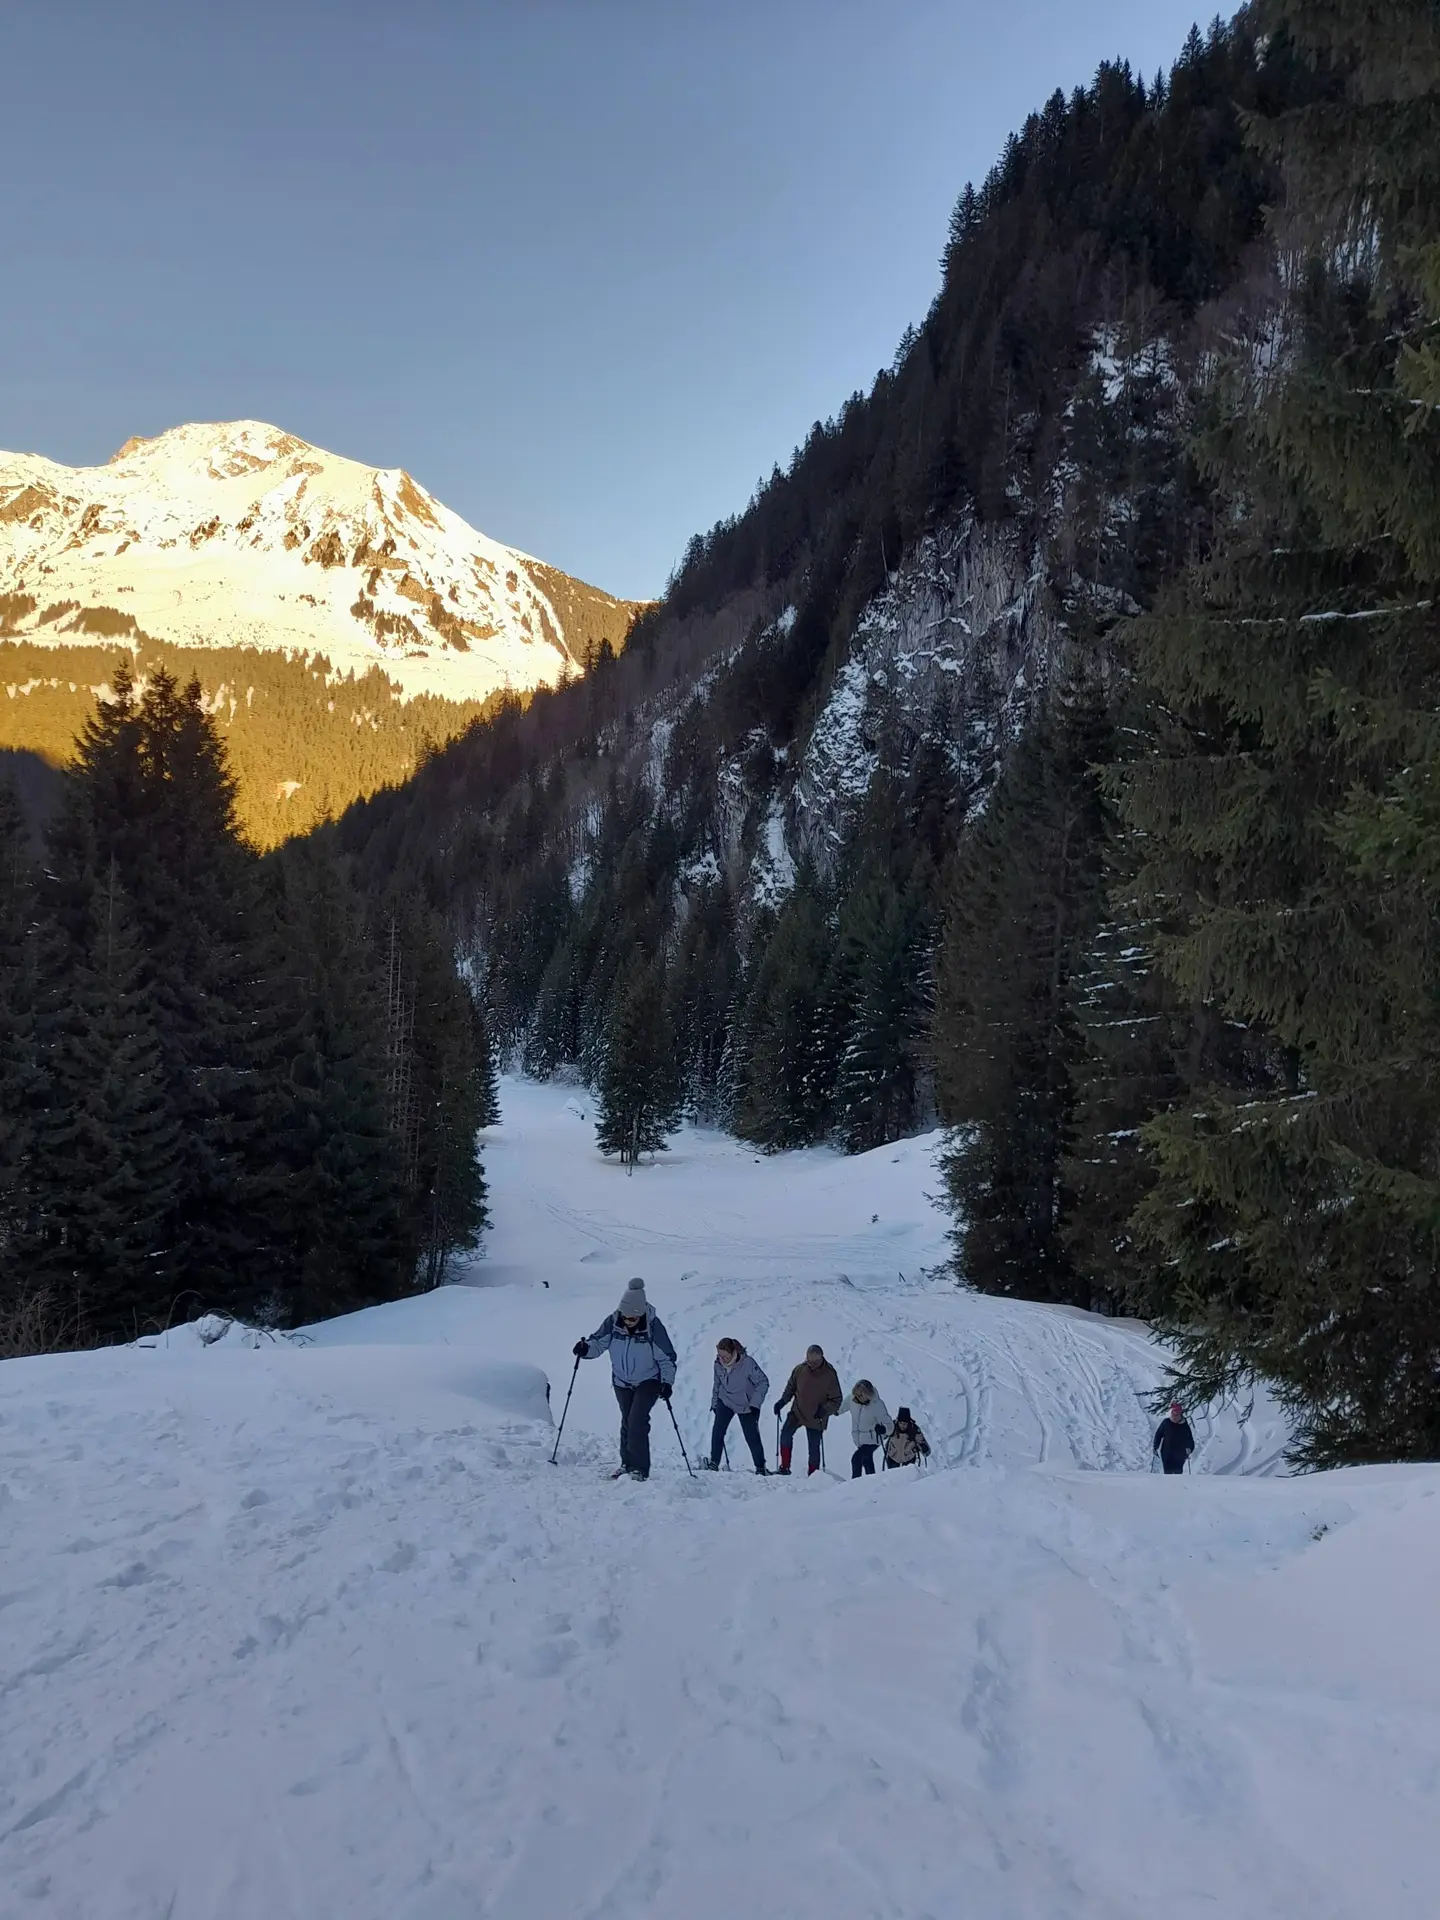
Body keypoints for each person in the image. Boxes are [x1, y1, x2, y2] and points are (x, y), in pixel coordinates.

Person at [574, 1278, 677, 1481]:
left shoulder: (653, 1328)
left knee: (637, 1421)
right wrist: (585, 1350)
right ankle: (626, 1464)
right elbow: (597, 1344)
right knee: (627, 1421)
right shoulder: (613, 1323)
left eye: (632, 1318)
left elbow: (667, 1359)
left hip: (649, 1380)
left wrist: (667, 1383)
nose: (628, 1320)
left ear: (641, 1313)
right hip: (621, 1381)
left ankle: (639, 1469)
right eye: (626, 1316)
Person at [774, 1344, 842, 1475]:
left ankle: (813, 1475)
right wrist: (782, 1402)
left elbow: (836, 1399)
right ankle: (784, 1467)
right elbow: (791, 1387)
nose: (811, 1364)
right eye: (808, 1361)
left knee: (814, 1448)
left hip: (817, 1416)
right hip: (798, 1411)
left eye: (814, 1362)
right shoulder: (800, 1369)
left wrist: (825, 1410)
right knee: (785, 1435)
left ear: (821, 1359)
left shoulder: (830, 1374)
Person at [705, 1337, 769, 1474]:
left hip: (745, 1404)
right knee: (718, 1431)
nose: (723, 1359)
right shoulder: (717, 1365)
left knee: (751, 1436)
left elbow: (763, 1382)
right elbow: (717, 1384)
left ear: (733, 1352)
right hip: (725, 1400)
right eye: (719, 1355)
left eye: (725, 1356)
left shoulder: (747, 1363)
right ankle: (714, 1463)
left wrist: (755, 1404)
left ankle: (760, 1467)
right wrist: (714, 1403)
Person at [838, 1379, 891, 1477]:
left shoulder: (877, 1405)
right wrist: (831, 1410)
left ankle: (854, 1485)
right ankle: (872, 1484)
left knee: (856, 1459)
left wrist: (883, 1429)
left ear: (867, 1395)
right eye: (856, 1395)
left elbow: (890, 1426)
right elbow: (840, 1408)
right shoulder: (852, 1399)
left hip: (872, 1440)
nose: (856, 1397)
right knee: (867, 1462)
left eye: (860, 1395)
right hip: (859, 1440)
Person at [1153, 1402, 1195, 1475]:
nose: (1174, 1416)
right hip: (1166, 1453)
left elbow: (1189, 1439)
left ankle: (1177, 1486)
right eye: (1173, 1414)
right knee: (1167, 1473)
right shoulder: (1166, 1422)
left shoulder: (1184, 1425)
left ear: (1180, 1415)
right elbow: (1159, 1434)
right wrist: (1155, 1446)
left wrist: (1190, 1448)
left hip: (1180, 1454)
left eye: (1176, 1415)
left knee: (1178, 1473)